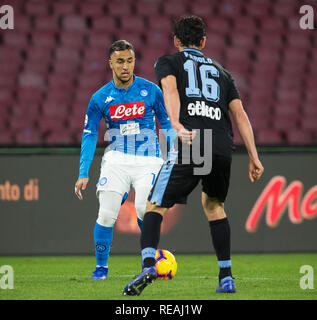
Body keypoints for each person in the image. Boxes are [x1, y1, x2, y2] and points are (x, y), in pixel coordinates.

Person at [123, 16, 264, 295]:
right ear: (203, 42)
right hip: (223, 145)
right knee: (214, 207)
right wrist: (254, 156)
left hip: (193, 141)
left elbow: (171, 89)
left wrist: (175, 123)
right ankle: (226, 277)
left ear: (176, 41)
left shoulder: (169, 61)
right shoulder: (223, 72)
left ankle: (148, 265)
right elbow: (239, 114)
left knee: (155, 204)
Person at [74, 40, 176, 280]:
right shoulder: (99, 98)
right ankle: (101, 268)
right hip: (116, 159)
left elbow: (168, 124)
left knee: (144, 208)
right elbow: (89, 136)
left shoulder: (151, 90)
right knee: (107, 214)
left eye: (129, 61)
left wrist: (174, 156)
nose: (125, 66)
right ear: (110, 63)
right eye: (120, 61)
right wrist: (83, 172)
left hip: (149, 159)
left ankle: (148, 264)